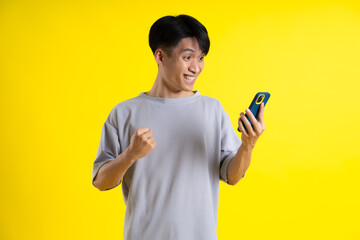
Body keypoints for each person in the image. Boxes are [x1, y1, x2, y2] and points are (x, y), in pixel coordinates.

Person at [92, 14, 266, 240]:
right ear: (161, 56)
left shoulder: (212, 109)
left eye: (201, 58)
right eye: (188, 57)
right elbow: (101, 182)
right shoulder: (124, 113)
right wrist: (130, 155)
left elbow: (232, 176)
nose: (196, 67)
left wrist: (248, 145)